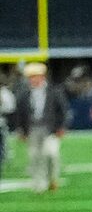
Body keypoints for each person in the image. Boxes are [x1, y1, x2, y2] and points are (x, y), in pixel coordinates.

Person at [20, 61, 66, 192]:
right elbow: (21, 113)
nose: (33, 79)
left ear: (42, 76)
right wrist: (22, 130)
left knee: (51, 154)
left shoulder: (54, 91)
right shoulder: (24, 94)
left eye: (35, 76)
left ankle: (52, 178)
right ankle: (38, 183)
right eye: (31, 77)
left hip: (50, 129)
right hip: (33, 128)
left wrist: (61, 127)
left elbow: (62, 110)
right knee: (34, 156)